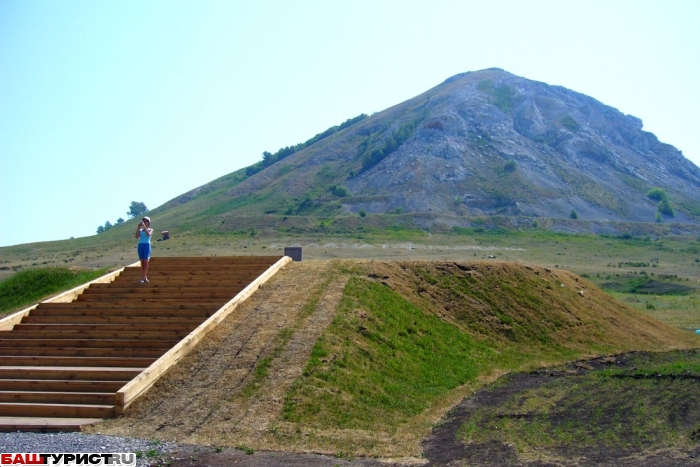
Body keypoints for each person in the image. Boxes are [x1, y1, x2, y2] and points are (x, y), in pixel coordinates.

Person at [135, 216, 153, 283]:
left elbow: (148, 235)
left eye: (145, 221)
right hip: (140, 245)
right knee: (142, 261)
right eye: (143, 221)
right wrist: (139, 227)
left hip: (146, 245)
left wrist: (144, 227)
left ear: (148, 222)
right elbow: (136, 236)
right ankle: (144, 277)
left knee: (145, 261)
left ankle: (144, 276)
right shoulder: (140, 230)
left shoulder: (150, 229)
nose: (144, 222)